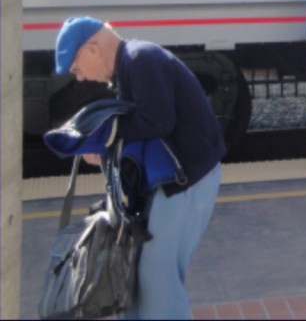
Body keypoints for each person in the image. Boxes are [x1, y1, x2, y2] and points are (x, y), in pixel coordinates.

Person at [53, 16, 225, 319]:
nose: (79, 77)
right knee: (139, 280)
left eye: (76, 68)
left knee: (158, 281)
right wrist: (105, 147)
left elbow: (157, 120)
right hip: (176, 184)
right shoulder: (132, 63)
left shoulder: (140, 58)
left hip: (185, 185)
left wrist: (105, 139)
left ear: (92, 49)